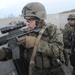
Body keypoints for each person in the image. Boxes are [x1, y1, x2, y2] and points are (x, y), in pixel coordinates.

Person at [0, 2, 65, 75]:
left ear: (39, 19)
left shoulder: (52, 29)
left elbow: (57, 50)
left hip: (54, 70)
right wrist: (4, 53)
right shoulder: (26, 32)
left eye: (30, 20)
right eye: (26, 20)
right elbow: (18, 50)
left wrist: (35, 43)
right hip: (35, 71)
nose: (27, 23)